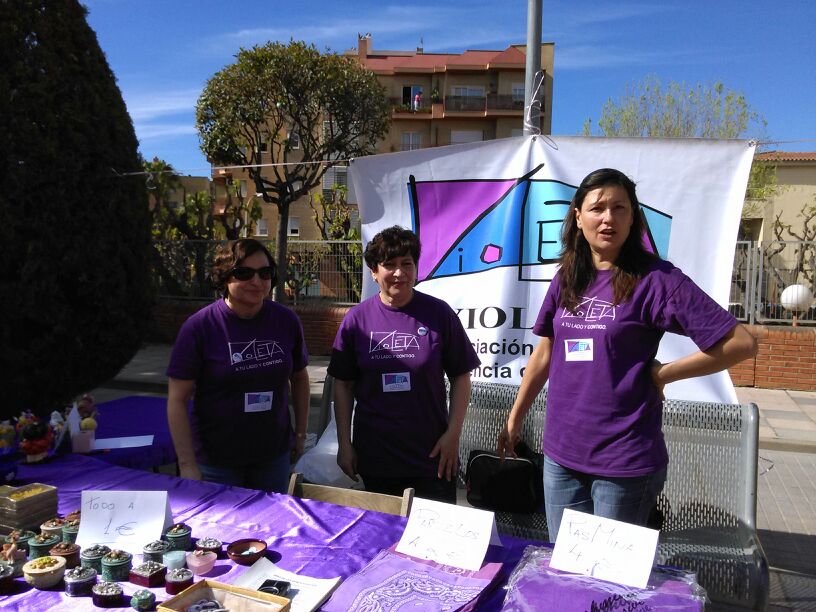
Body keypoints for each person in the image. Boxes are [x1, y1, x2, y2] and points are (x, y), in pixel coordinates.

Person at [497, 168, 758, 539]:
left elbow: (740, 343)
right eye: (597, 208)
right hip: (561, 456)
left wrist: (662, 374)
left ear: (633, 217)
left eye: (619, 208)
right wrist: (516, 416)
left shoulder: (657, 280)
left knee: (609, 581)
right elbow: (545, 352)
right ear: (577, 216)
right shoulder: (568, 276)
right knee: (566, 568)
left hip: (624, 463)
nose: (608, 218)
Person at [329, 226, 480, 503]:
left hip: (432, 456)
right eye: (389, 265)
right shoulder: (356, 321)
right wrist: (344, 444)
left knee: (432, 540)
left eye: (406, 264)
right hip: (376, 456)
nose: (399, 273)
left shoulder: (439, 314)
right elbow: (344, 384)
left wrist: (452, 435)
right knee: (381, 540)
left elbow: (461, 376)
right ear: (374, 271)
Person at [166, 239, 310, 493]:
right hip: (216, 463)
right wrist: (187, 464)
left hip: (272, 458)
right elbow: (177, 400)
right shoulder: (199, 327)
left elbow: (299, 378)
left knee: (269, 530)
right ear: (224, 277)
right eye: (244, 273)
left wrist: (300, 434)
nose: (257, 281)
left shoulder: (286, 321)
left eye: (265, 273)